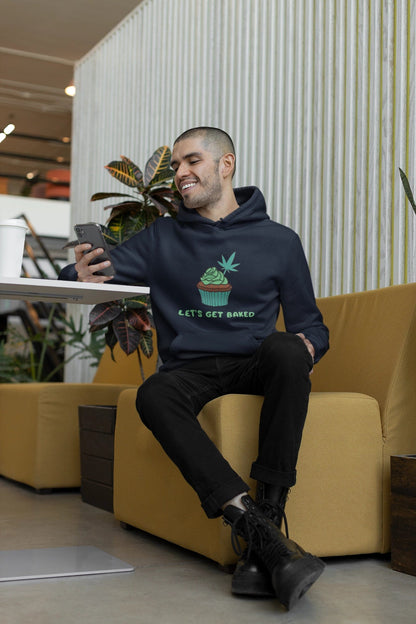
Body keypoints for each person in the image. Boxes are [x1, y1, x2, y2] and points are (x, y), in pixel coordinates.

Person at [60, 126, 329, 610]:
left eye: (192, 162)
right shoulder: (162, 237)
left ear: (226, 166)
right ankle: (263, 539)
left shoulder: (279, 241)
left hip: (253, 361)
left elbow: (312, 325)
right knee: (152, 394)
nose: (180, 174)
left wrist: (311, 347)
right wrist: (76, 271)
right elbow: (92, 272)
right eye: (177, 166)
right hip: (191, 368)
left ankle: (268, 516)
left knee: (289, 348)